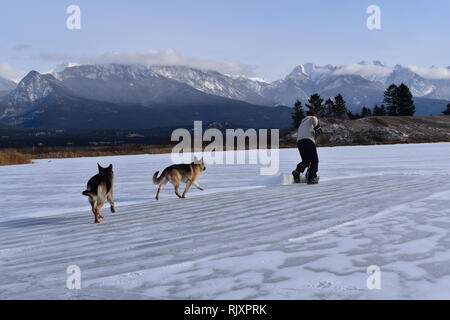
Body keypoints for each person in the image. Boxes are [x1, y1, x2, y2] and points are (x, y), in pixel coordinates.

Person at [292, 110, 322, 184]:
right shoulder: (313, 118)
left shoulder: (302, 123)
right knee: (315, 161)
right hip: (308, 141)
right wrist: (316, 135)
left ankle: (297, 171)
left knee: (306, 161)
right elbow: (318, 130)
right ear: (314, 115)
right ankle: (311, 178)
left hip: (299, 142)